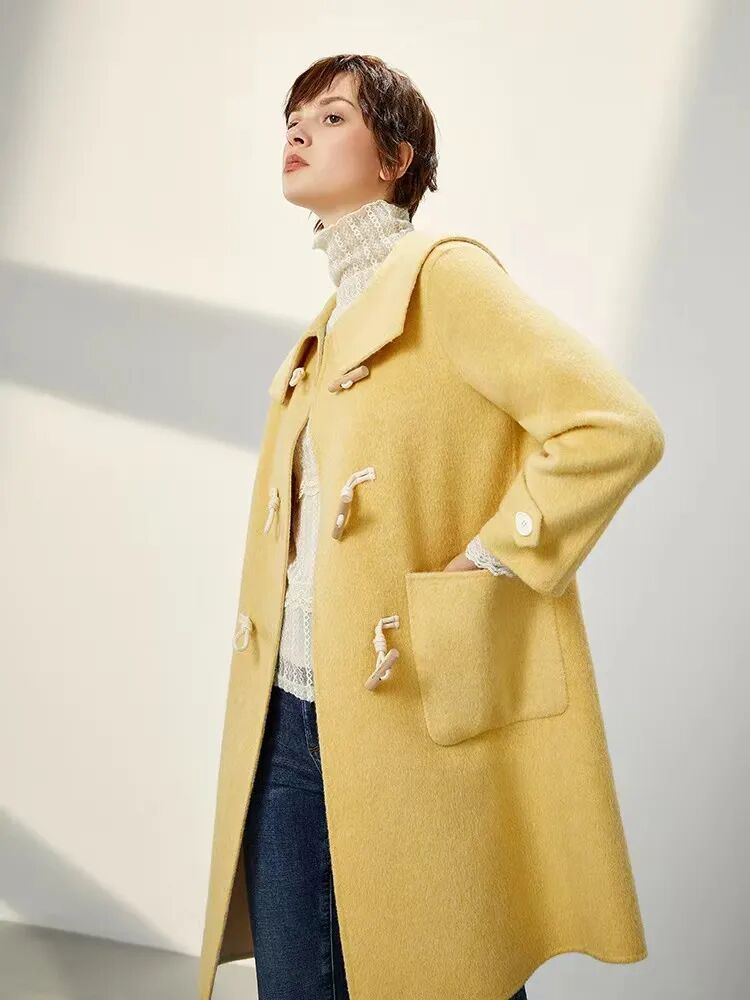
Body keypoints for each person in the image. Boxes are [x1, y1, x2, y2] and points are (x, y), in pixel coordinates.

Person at [241, 55, 529, 1000]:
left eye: (332, 117)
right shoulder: (331, 322)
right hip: (291, 709)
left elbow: (610, 427)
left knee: (448, 972)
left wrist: (489, 559)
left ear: (396, 157)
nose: (298, 132)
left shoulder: (444, 279)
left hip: (398, 696)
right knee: (298, 984)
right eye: (293, 118)